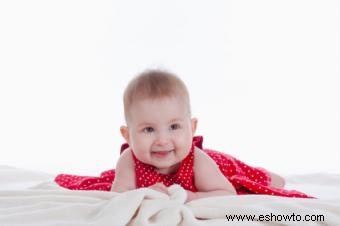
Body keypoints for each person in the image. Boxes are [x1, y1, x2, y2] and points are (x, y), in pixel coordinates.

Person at [55, 69, 311, 201]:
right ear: (128, 135)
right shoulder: (128, 161)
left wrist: (192, 196)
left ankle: (268, 174)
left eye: (174, 127)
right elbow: (119, 195)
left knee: (249, 178)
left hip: (218, 166)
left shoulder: (198, 160)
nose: (162, 140)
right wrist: (143, 194)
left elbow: (226, 194)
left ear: (192, 128)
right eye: (148, 129)